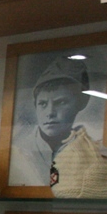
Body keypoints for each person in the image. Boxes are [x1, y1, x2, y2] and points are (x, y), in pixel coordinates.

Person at [9, 57, 90, 186]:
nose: (50, 113)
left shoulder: (92, 151)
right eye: (43, 104)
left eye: (61, 102)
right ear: (35, 105)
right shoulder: (18, 152)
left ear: (82, 102)